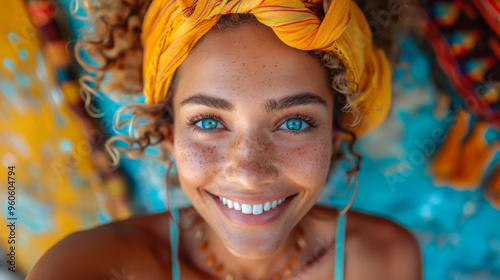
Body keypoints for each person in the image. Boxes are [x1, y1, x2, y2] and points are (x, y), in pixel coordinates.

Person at [27, 0, 422, 279]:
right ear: (170, 141)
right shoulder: (91, 267)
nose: (250, 173)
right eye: (209, 122)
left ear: (334, 140)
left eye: (296, 123)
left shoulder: (382, 260)